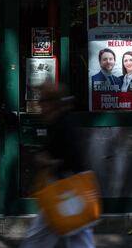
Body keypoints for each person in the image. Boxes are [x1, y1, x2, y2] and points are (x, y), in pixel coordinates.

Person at [20, 82, 95, 248]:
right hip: (67, 188)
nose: (40, 107)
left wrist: (46, 160)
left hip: (65, 189)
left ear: (52, 104)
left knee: (40, 237)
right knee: (76, 234)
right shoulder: (62, 121)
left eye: (42, 102)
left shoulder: (61, 124)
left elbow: (67, 157)